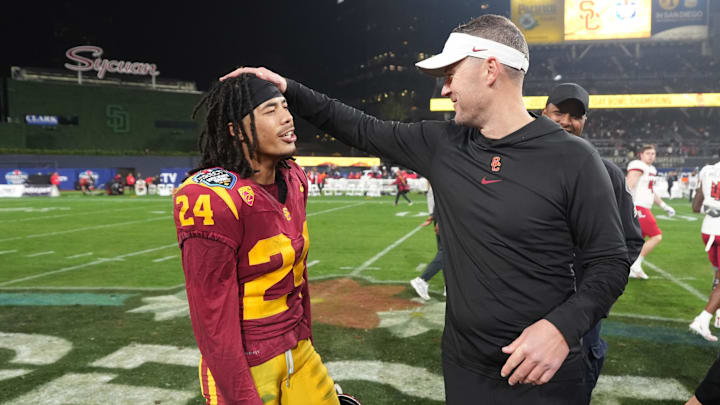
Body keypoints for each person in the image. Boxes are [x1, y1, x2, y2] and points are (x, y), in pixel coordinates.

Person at [222, 14, 629, 404]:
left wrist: (562, 329)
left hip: (543, 375)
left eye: (451, 75)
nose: (445, 89)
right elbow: (360, 127)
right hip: (465, 367)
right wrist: (287, 88)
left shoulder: (575, 159)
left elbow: (610, 262)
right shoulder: (443, 144)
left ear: (490, 69)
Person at [173, 74, 339, 405]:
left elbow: (299, 277)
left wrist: (304, 338)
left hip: (297, 348)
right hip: (249, 361)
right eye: (270, 109)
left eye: (285, 107)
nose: (287, 117)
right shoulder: (211, 198)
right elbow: (212, 321)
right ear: (235, 129)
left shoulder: (293, 177)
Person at [542, 83, 644, 404]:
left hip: (579, 318)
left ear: (585, 122)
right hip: (521, 306)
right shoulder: (516, 163)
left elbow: (629, 242)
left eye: (576, 115)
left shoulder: (608, 175)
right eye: (559, 112)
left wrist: (591, 299)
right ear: (544, 111)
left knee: (572, 389)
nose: (566, 121)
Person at [626, 144, 676, 279]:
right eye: (648, 153)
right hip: (638, 206)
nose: (651, 156)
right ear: (641, 155)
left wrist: (664, 205)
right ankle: (636, 264)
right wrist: (628, 205)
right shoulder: (638, 165)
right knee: (656, 236)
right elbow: (629, 185)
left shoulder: (651, 169)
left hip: (645, 207)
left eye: (653, 153)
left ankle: (631, 267)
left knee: (637, 242)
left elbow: (651, 191)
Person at [689, 161, 720, 341]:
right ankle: (703, 318)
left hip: (708, 229)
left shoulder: (708, 170)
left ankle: (717, 315)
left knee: (718, 274)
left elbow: (696, 205)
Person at [411, 183, 444, 300]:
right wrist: (439, 220)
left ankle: (450, 286)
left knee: (446, 253)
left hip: (442, 217)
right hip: (445, 218)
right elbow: (443, 198)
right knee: (446, 253)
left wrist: (433, 217)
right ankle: (422, 280)